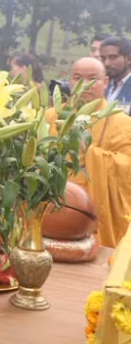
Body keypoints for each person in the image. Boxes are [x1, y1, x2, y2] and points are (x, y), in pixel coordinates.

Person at [46, 57, 131, 247]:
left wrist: (89, 150)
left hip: (94, 215)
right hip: (51, 209)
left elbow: (127, 169)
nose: (86, 85)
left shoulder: (122, 123)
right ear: (69, 80)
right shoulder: (52, 116)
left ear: (106, 82)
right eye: (78, 78)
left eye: (93, 79)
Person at [100, 36, 131, 108]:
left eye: (113, 57)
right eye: (103, 58)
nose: (106, 63)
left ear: (129, 59)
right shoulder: (102, 86)